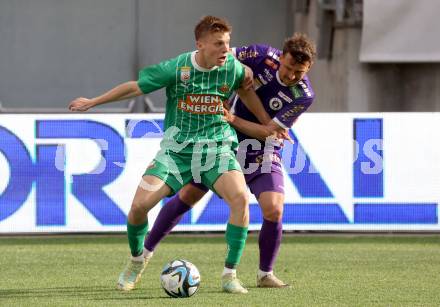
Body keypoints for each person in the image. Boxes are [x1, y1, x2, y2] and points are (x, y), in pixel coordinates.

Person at [68, 16, 266, 294]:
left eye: (228, 43)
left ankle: (229, 275)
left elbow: (246, 88)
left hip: (216, 148)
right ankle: (136, 262)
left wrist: (266, 123)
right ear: (200, 44)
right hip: (176, 151)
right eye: (218, 44)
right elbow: (136, 86)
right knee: (138, 208)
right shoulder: (177, 68)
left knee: (241, 199)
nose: (226, 49)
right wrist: (93, 102)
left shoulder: (232, 68)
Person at [142, 33, 316, 288]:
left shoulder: (304, 95)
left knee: (274, 208)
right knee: (189, 195)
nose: (291, 75)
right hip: (223, 141)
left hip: (261, 148)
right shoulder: (260, 55)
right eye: (288, 67)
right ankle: (144, 254)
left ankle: (265, 274)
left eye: (298, 72)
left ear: (308, 69)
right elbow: (220, 58)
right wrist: (230, 80)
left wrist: (231, 117)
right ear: (281, 57)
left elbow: (268, 131)